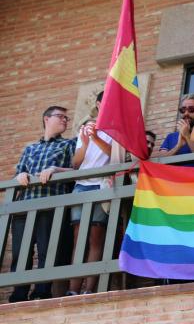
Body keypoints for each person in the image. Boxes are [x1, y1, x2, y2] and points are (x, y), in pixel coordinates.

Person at [10, 106, 75, 302]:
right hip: (25, 206)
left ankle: (41, 293)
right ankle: (19, 294)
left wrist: (56, 169)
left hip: (51, 205)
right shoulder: (30, 148)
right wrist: (20, 175)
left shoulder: (69, 144)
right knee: (21, 253)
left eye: (66, 118)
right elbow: (17, 175)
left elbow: (76, 169)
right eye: (60, 116)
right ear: (47, 119)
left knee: (48, 251)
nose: (65, 120)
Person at [67, 92, 112, 296]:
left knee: (96, 238)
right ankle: (73, 290)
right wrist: (85, 143)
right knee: (78, 239)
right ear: (98, 103)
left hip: (101, 185)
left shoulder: (116, 128)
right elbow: (75, 164)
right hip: (81, 186)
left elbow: (115, 154)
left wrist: (96, 137)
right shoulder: (86, 127)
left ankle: (89, 289)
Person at [157, 94, 194, 164]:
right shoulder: (170, 137)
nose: (186, 113)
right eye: (183, 110)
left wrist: (187, 136)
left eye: (191, 109)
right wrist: (178, 146)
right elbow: (160, 163)